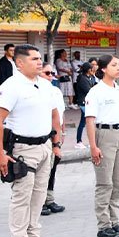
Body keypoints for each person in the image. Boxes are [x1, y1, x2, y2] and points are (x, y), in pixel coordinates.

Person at [0, 44, 63, 237]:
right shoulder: (12, 86)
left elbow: (54, 115)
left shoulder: (45, 85)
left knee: (39, 195)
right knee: (22, 196)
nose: (39, 62)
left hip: (44, 147)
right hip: (23, 148)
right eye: (33, 59)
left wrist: (56, 143)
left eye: (40, 58)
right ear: (19, 63)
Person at [85, 55, 119, 237]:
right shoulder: (95, 92)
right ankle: (103, 225)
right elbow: (90, 120)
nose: (118, 68)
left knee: (117, 182)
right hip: (104, 134)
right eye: (114, 65)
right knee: (105, 183)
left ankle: (115, 221)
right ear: (103, 69)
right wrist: (93, 146)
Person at [38, 63, 66, 216]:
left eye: (52, 73)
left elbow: (60, 114)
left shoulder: (55, 91)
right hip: (43, 136)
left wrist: (62, 133)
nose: (50, 76)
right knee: (42, 171)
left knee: (52, 168)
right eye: (47, 73)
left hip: (56, 133)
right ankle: (39, 201)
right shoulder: (37, 91)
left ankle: (49, 198)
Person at [74, 62, 96, 149]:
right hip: (83, 103)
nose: (93, 70)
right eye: (91, 69)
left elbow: (93, 85)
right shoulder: (83, 79)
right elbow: (90, 91)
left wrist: (93, 76)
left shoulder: (89, 77)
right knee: (89, 122)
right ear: (88, 70)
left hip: (87, 103)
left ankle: (80, 141)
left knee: (83, 122)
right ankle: (80, 142)